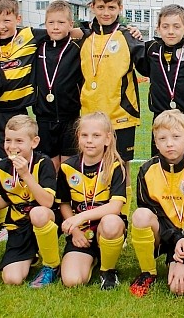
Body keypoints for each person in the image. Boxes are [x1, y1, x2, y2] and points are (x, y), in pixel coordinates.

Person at [0, 0, 82, 169]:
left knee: (10, 161)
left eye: (7, 20)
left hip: (15, 111)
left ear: (18, 19)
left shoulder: (29, 36)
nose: (1, 25)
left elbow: (61, 30)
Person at [80, 0, 146, 216]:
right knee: (93, 164)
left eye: (111, 8)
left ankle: (122, 217)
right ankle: (94, 212)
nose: (106, 13)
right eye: (100, 7)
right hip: (90, 116)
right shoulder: (83, 36)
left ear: (120, 8)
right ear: (92, 7)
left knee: (122, 165)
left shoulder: (128, 37)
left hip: (121, 115)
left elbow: (148, 66)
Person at [130, 109, 184, 297]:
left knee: (179, 289)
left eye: (176, 137)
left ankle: (178, 261)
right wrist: (175, 238)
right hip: (164, 235)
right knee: (140, 216)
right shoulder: (146, 170)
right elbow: (152, 211)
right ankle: (147, 272)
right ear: (155, 142)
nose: (169, 143)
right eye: (162, 138)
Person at [0, 115, 59, 286]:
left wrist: (26, 175)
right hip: (18, 226)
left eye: (19, 141)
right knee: (12, 279)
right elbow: (6, 198)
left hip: (43, 218)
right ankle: (31, 255)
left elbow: (47, 202)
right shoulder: (2, 167)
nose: (12, 146)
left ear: (34, 142)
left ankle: (52, 266)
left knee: (38, 213)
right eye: (8, 140)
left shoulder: (44, 163)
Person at [56, 112, 127, 290]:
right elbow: (64, 203)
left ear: (107, 139)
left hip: (105, 230)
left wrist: (80, 217)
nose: (89, 140)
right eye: (84, 135)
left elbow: (115, 207)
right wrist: (75, 231)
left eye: (96, 136)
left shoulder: (115, 167)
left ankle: (107, 270)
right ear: (78, 137)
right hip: (81, 233)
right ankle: (92, 258)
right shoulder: (67, 167)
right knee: (72, 281)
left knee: (111, 222)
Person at [140, 4, 184, 164]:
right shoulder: (150, 50)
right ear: (158, 29)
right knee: (160, 167)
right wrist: (131, 31)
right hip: (161, 118)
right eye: (165, 27)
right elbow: (129, 46)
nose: (170, 31)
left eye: (176, 26)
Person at [33, 0, 84, 171]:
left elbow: (96, 30)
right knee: (49, 165)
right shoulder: (37, 46)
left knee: (68, 166)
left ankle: (67, 191)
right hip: (44, 118)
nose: (55, 27)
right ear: (45, 24)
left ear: (71, 24)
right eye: (51, 22)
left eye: (61, 22)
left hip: (70, 117)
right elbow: (16, 33)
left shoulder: (77, 47)